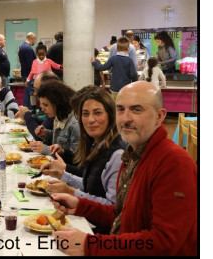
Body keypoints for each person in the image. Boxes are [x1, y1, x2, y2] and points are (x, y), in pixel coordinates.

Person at [50, 81, 197, 256]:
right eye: (121, 109)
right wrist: (81, 206)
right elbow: (123, 216)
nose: (126, 118)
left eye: (136, 110)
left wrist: (90, 245)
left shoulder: (174, 162)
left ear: (160, 116)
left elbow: (164, 242)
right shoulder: (132, 155)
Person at [40, 87, 127, 208]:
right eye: (85, 114)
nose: (91, 119)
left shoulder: (117, 155)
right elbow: (90, 186)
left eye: (97, 112)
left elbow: (113, 208)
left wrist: (70, 191)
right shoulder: (96, 144)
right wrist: (61, 175)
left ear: (111, 115)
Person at [28, 80, 79, 168]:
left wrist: (45, 149)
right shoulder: (59, 116)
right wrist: (47, 134)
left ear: (58, 103)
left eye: (46, 105)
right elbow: (61, 141)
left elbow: (75, 160)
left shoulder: (75, 124)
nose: (42, 109)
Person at [15, 71, 57, 141]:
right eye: (33, 89)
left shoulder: (55, 105)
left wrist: (27, 115)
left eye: (37, 90)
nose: (34, 93)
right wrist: (29, 118)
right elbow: (46, 123)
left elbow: (38, 136)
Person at [25, 42, 63, 108]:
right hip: (36, 81)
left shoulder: (48, 61)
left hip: (46, 81)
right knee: (32, 95)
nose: (41, 56)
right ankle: (34, 108)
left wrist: (60, 67)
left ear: (46, 53)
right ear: (36, 54)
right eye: (39, 55)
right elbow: (31, 72)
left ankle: (42, 108)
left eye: (43, 55)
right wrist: (28, 80)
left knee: (44, 95)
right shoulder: (35, 62)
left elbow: (55, 65)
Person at [18, 32, 37, 108]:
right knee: (31, 94)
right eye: (34, 39)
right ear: (31, 38)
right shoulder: (28, 48)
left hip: (25, 74)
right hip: (29, 75)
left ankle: (26, 111)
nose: (35, 41)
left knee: (27, 93)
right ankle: (30, 111)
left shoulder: (22, 47)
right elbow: (31, 64)